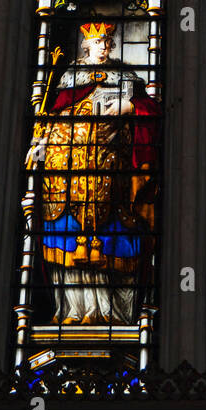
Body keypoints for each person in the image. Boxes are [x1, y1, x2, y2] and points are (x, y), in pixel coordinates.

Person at [26, 22, 161, 326]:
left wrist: (128, 107)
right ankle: (73, 309)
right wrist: (42, 143)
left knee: (110, 237)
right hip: (66, 174)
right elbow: (50, 116)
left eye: (107, 42)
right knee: (68, 237)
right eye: (98, 42)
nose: (104, 46)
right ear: (86, 45)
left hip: (112, 174)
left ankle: (109, 310)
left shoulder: (125, 76)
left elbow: (152, 111)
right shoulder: (67, 78)